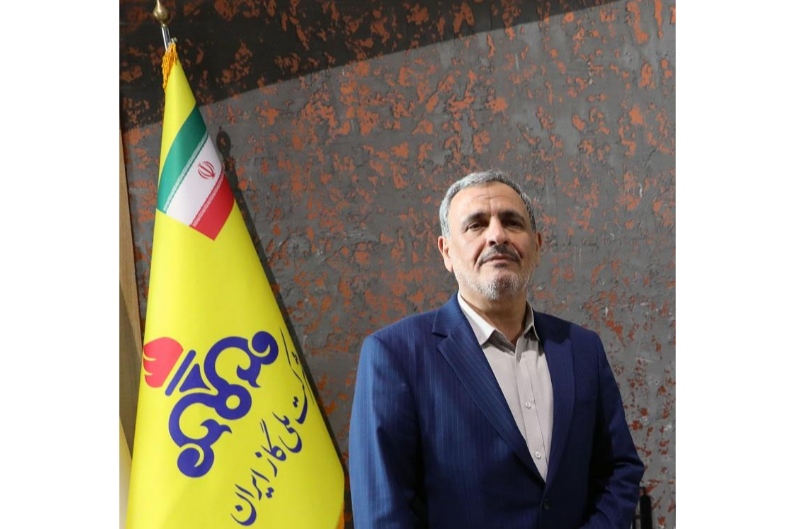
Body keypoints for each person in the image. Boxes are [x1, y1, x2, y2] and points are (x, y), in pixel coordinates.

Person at [348, 169, 644, 529]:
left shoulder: (582, 349)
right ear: (446, 251)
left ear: (536, 245)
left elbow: (619, 470)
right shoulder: (395, 355)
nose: (497, 236)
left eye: (512, 222)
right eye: (476, 225)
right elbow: (383, 514)